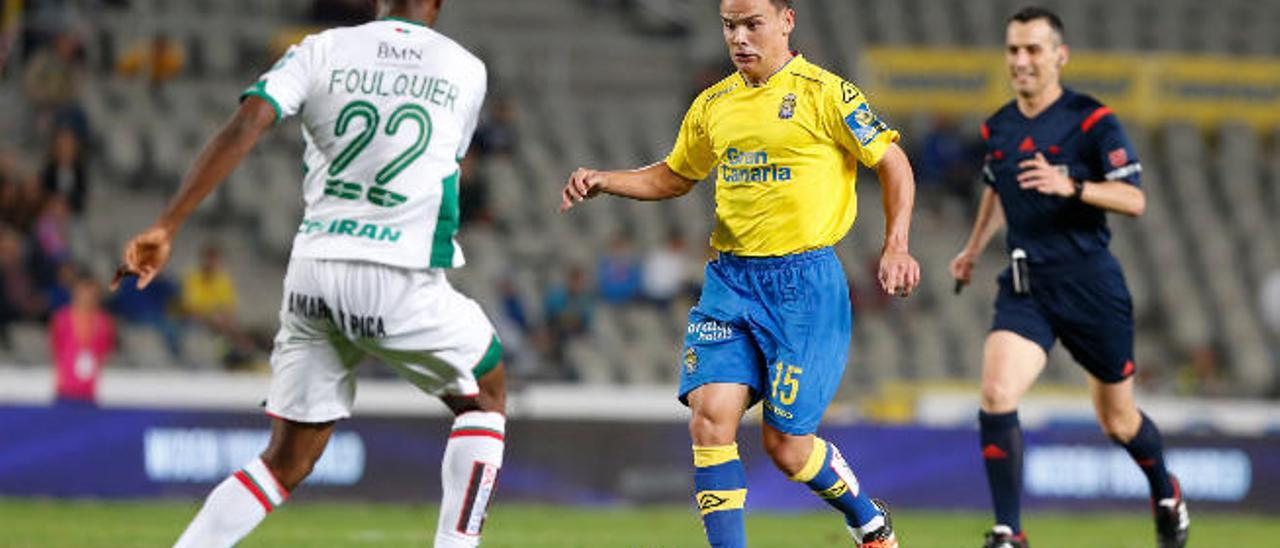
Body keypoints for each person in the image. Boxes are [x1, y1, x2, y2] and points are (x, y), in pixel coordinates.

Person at [112, 1, 506, 546]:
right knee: (485, 393)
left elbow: (249, 121)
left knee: (284, 462)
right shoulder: (466, 69)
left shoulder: (321, 49)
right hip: (397, 272)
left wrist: (168, 224)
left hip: (314, 273)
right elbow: (442, 172)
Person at [560, 1, 920, 545]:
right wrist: (604, 180)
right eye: (730, 26)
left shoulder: (828, 94)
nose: (740, 38)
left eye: (753, 24)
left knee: (787, 448)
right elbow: (675, 176)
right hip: (730, 281)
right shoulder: (714, 104)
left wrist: (896, 245)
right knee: (709, 418)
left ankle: (868, 519)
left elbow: (893, 163)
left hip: (805, 288)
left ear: (786, 21)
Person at [948, 7, 1189, 548]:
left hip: (1089, 286)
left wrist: (1072, 186)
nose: (1021, 60)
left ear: (1060, 55)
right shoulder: (1000, 126)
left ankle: (1164, 487)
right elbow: (995, 187)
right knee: (996, 391)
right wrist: (970, 248)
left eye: (1033, 49)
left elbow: (1135, 198)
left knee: (1117, 421)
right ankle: (1010, 530)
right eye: (1013, 49)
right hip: (1026, 285)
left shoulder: (1091, 121)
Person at [49, 272, 115, 406]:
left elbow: (105, 351)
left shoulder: (104, 322)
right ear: (75, 293)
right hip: (64, 389)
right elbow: (56, 348)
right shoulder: (62, 319)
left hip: (90, 392)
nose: (87, 297)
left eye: (92, 294)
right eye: (84, 292)